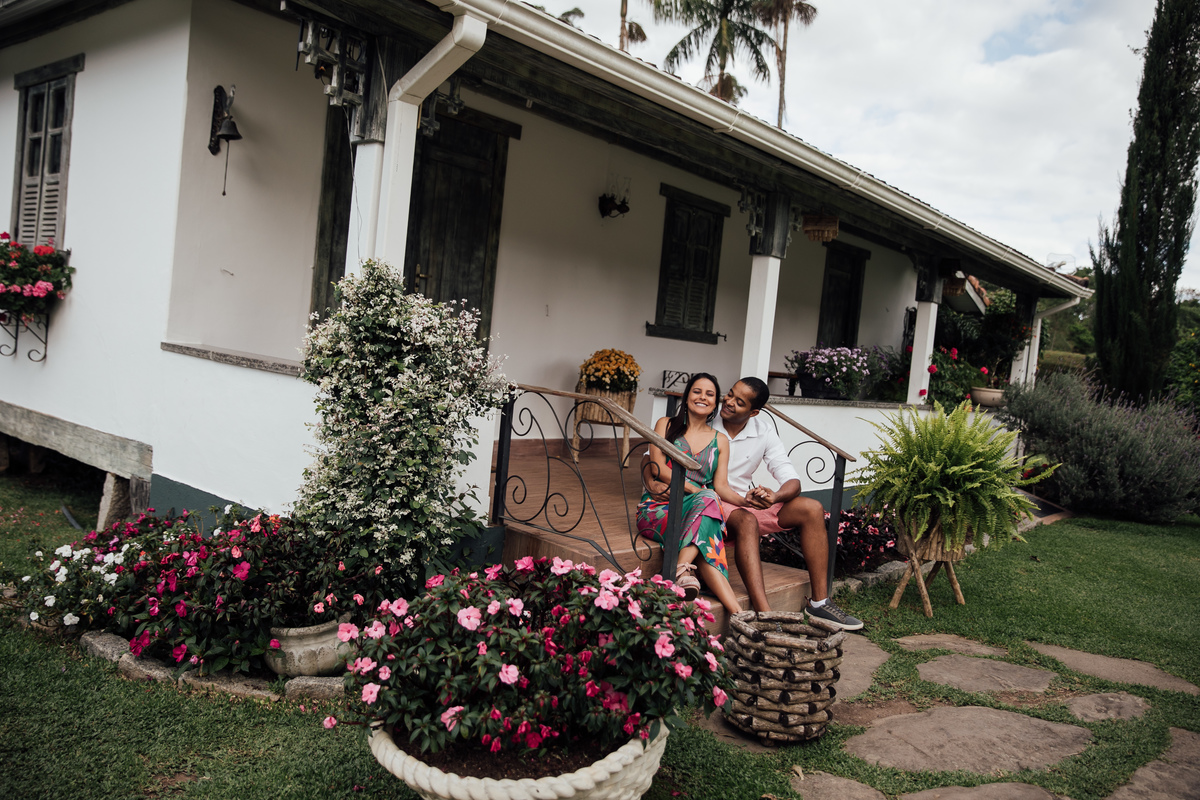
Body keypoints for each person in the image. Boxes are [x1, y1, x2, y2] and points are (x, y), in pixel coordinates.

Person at [648, 376, 863, 630]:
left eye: (739, 402)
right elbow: (653, 458)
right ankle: (765, 613)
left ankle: (819, 603)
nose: (727, 402)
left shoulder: (763, 431)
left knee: (811, 508)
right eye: (729, 394)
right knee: (745, 518)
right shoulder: (706, 413)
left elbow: (791, 479)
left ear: (753, 412)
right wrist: (652, 483)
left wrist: (775, 497)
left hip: (737, 499)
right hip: (709, 501)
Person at [637, 373, 743, 614]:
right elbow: (660, 469)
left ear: (715, 403)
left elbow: (722, 486)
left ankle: (734, 610)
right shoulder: (665, 424)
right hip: (658, 507)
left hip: (699, 508)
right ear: (687, 397)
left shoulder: (721, 440)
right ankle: (684, 571)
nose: (702, 397)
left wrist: (746, 501)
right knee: (708, 506)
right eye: (697, 391)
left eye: (709, 394)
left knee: (706, 522)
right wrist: (697, 491)